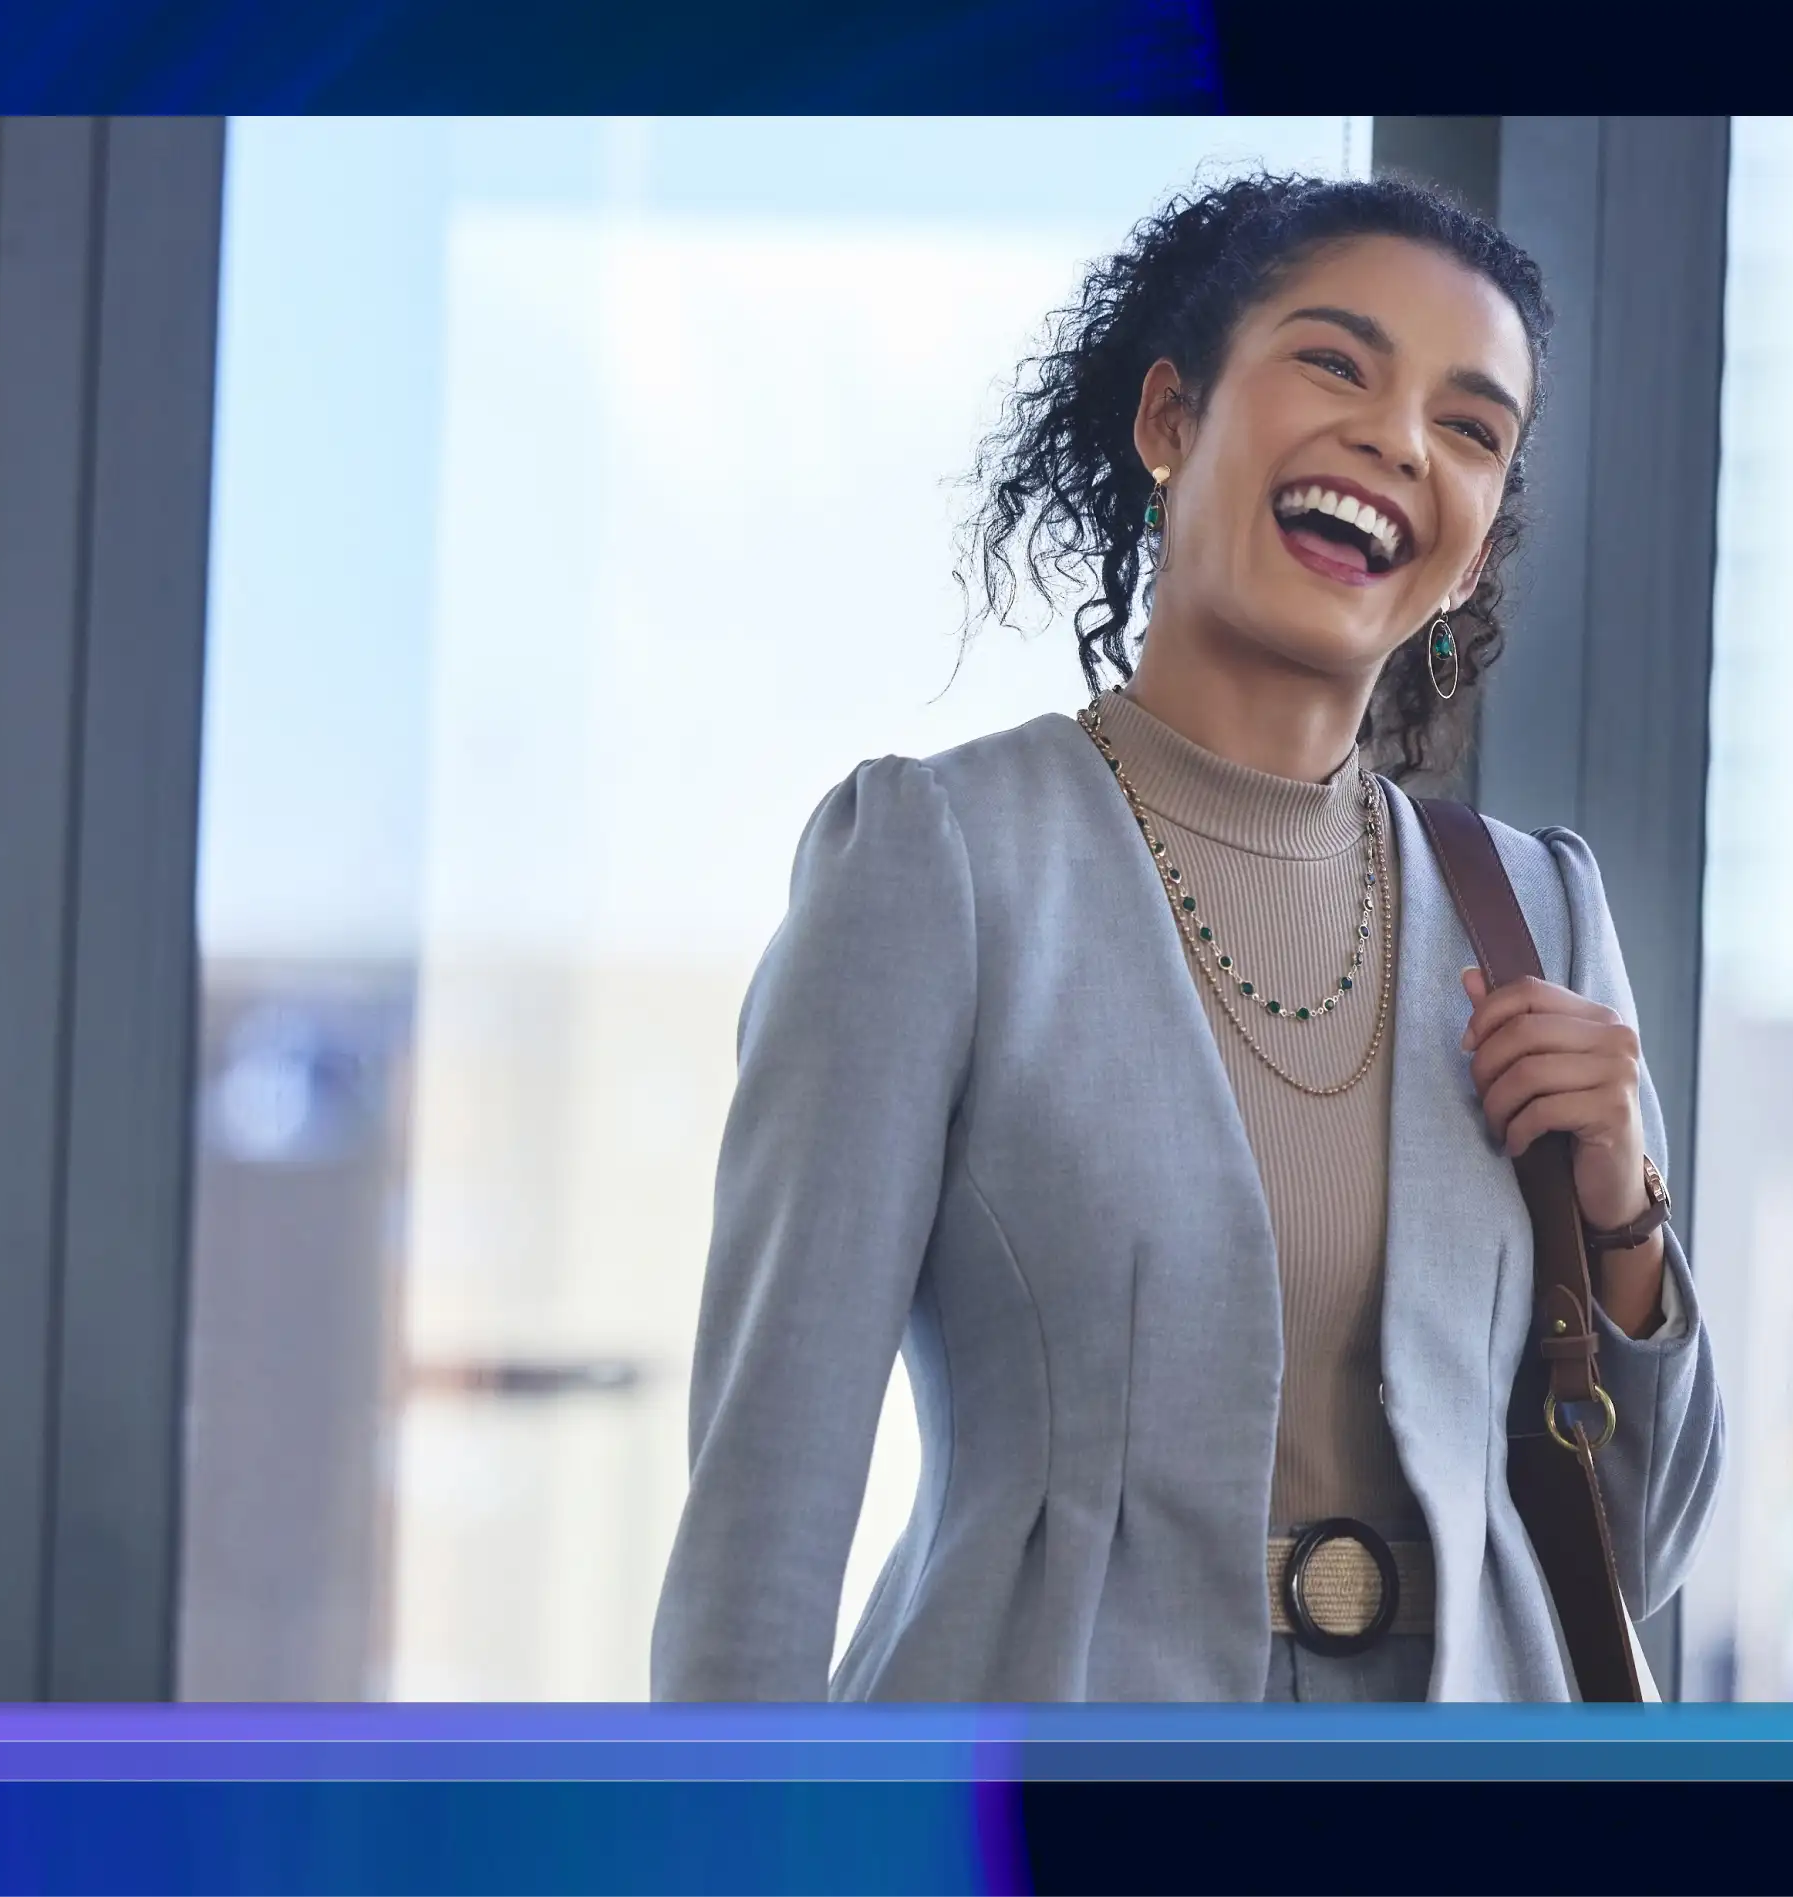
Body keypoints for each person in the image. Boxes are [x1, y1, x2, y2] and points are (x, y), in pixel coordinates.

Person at [649, 172, 1725, 1703]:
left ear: (1471, 553)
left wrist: (1622, 1211)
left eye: (1469, 426)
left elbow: (1646, 1544)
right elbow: (765, 1505)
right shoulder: (938, 859)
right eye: (1337, 364)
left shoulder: (1539, 912)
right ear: (1171, 418)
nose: (1398, 439)